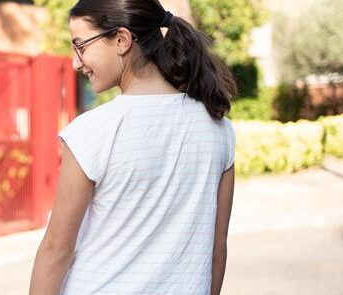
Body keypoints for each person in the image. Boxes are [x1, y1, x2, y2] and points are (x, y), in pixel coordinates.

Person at [29, 0, 236, 294]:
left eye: (81, 46)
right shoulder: (220, 130)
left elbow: (56, 251)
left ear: (122, 40)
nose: (76, 61)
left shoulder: (93, 131)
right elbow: (217, 248)